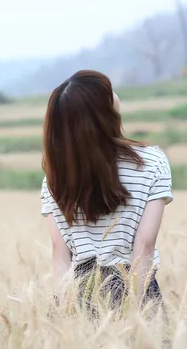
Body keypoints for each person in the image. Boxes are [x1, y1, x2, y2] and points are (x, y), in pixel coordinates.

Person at [40, 69, 173, 319]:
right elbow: (144, 246)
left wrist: (65, 311)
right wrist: (134, 311)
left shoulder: (54, 177)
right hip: (133, 285)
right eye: (109, 92)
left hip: (77, 290)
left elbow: (60, 252)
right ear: (102, 112)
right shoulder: (153, 162)